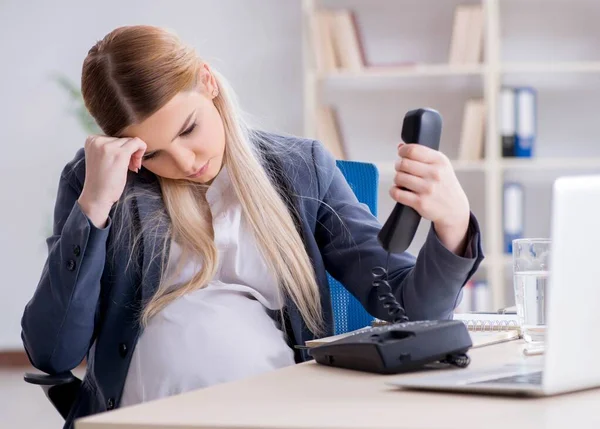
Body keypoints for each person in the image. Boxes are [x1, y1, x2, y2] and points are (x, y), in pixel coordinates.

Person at [21, 25, 483, 428]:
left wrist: (453, 222)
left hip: (277, 414)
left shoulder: (301, 168)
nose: (185, 162)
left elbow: (409, 310)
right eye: (154, 153)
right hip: (144, 419)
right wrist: (94, 207)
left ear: (207, 83)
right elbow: (54, 353)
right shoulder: (99, 184)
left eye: (187, 130)